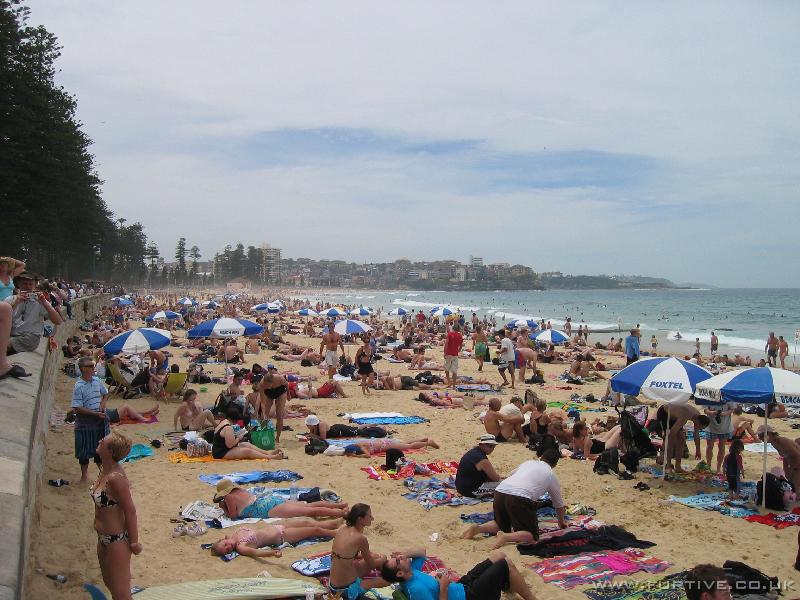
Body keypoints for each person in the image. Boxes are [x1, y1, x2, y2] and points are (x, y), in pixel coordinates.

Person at [460, 450, 566, 548]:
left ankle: (479, 529)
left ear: (541, 457)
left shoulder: (528, 463)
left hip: (500, 491)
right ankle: (506, 537)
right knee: (531, 536)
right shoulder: (551, 475)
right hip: (520, 497)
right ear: (555, 464)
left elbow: (510, 475)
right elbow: (559, 505)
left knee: (500, 524)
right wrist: (561, 522)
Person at [91, 431, 142, 600]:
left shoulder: (116, 478)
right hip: (103, 538)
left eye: (103, 441)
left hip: (117, 541)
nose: (99, 440)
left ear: (111, 451)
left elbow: (130, 510)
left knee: (122, 595)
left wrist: (134, 542)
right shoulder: (103, 470)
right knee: (111, 587)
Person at [381, 548, 536, 600]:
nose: (399, 558)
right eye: (397, 561)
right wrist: (443, 588)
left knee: (500, 556)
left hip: (462, 585)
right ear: (400, 572)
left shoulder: (412, 570)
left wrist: (403, 553)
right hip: (469, 596)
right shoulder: (415, 589)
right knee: (504, 566)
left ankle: (509, 585)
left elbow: (422, 551)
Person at [328, 504, 387, 599]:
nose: (372, 518)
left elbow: (344, 552)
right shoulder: (360, 538)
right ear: (360, 519)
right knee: (382, 573)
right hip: (345, 590)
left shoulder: (342, 529)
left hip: (332, 584)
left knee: (375, 556)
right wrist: (383, 558)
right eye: (369, 516)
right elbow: (372, 565)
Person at [214, 478, 349, 519]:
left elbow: (232, 516)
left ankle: (341, 513)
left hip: (265, 509)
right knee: (308, 506)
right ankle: (340, 506)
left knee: (308, 511)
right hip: (269, 500)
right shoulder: (241, 490)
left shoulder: (229, 497)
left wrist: (224, 507)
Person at [211, 518, 342, 558]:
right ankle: (336, 533)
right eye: (227, 551)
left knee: (307, 522)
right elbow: (256, 552)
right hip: (281, 536)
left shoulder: (233, 534)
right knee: (314, 530)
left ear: (222, 540)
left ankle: (333, 523)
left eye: (225, 545)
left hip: (277, 526)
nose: (229, 547)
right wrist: (272, 553)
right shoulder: (241, 547)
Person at [72, 356, 111, 484]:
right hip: (85, 422)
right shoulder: (79, 386)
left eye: (93, 365)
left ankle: (103, 475)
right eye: (90, 366)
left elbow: (105, 393)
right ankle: (84, 476)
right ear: (83, 369)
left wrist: (103, 403)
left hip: (99, 420)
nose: (93, 368)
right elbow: (77, 407)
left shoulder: (96, 380)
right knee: (83, 451)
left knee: (100, 450)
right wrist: (94, 414)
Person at [5, 272, 64, 354]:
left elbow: (58, 321)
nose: (28, 286)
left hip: (30, 337)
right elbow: (3, 318)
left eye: (30, 284)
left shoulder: (40, 302)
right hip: (11, 334)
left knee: (4, 345)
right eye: (25, 283)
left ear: (34, 286)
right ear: (19, 284)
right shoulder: (11, 299)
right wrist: (16, 302)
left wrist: (45, 303)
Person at [211, 407, 285, 460]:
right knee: (247, 451)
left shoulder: (223, 422)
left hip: (221, 449)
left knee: (246, 444)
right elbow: (229, 445)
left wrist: (237, 438)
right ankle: (270, 457)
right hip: (221, 452)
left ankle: (267, 452)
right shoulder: (228, 427)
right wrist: (239, 438)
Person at [657, 404, 710, 473]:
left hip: (676, 416)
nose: (700, 429)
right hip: (665, 413)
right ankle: (668, 465)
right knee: (671, 440)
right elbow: (672, 434)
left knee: (681, 440)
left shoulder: (698, 416)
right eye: (701, 428)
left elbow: (696, 435)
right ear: (698, 422)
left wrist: (698, 450)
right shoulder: (685, 416)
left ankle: (678, 466)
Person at [758, 425, 800, 491]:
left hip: (797, 465)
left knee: (795, 490)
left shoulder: (783, 442)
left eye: (761, 436)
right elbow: (785, 457)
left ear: (768, 434)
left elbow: (797, 455)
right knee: (789, 487)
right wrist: (785, 470)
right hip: (793, 465)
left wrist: (792, 469)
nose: (760, 439)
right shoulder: (774, 443)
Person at [257, 364, 289, 444]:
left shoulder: (280, 378)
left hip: (280, 392)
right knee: (264, 415)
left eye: (269, 385)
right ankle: (263, 434)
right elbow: (263, 401)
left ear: (272, 382)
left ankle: (277, 437)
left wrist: (289, 394)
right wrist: (264, 413)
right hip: (269, 394)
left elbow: (286, 385)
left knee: (279, 415)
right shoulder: (262, 385)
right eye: (266, 385)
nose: (267, 386)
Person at [704, 402, 735, 472]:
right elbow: (705, 410)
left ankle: (718, 468)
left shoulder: (727, 396)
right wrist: (713, 412)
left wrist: (723, 413)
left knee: (721, 447)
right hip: (710, 426)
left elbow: (732, 409)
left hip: (725, 427)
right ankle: (708, 466)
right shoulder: (710, 395)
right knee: (709, 446)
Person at [305, 414, 387, 439]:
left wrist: (312, 436)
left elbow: (323, 438)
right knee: (356, 429)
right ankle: (370, 425)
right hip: (337, 429)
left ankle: (380, 428)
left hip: (340, 430)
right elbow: (314, 434)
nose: (307, 426)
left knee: (360, 432)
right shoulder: (314, 427)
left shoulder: (321, 424)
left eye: (308, 425)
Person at [343, 437, 440, 457]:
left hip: (387, 445)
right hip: (386, 441)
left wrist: (356, 456)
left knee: (408, 446)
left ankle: (428, 443)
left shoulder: (362, 446)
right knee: (405, 442)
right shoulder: (360, 442)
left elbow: (368, 455)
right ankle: (423, 439)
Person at [443, 323, 463, 387]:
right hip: (455, 354)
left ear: (453, 328)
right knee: (454, 370)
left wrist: (445, 352)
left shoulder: (450, 334)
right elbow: (461, 345)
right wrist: (459, 350)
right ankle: (454, 385)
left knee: (447, 369)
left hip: (449, 353)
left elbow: (446, 343)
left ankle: (449, 382)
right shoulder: (460, 335)